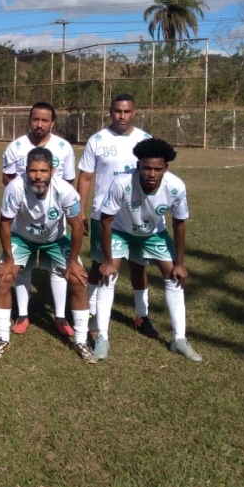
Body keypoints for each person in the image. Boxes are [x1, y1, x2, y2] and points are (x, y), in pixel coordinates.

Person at [96, 138, 202, 362]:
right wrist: (107, 260)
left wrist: (180, 263)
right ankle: (102, 338)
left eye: (157, 169)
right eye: (146, 168)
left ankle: (179, 339)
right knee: (108, 275)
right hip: (121, 231)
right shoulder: (121, 183)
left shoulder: (176, 186)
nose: (151, 174)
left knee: (174, 277)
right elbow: (105, 221)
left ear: (166, 168)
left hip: (154, 234)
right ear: (138, 167)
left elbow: (179, 223)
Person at [0, 147, 96, 363]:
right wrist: (9, 260)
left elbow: (76, 227)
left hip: (55, 239)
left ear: (52, 171)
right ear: (26, 171)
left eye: (43, 171)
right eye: (32, 171)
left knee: (78, 280)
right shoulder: (15, 187)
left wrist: (73, 262)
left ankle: (81, 341)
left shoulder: (65, 191)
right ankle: (2, 338)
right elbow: (4, 224)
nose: (37, 176)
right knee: (4, 279)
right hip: (22, 238)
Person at [77, 93, 156, 342]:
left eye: (127, 111)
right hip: (104, 214)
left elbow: (155, 175)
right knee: (99, 264)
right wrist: (80, 210)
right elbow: (86, 177)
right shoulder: (97, 140)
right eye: (117, 111)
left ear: (134, 112)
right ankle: (89, 312)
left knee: (138, 265)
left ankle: (142, 315)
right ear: (110, 111)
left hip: (136, 213)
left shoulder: (145, 140)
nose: (122, 116)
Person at [1, 101, 77, 337]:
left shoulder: (64, 148)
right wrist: (28, 203)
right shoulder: (16, 147)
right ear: (29, 120)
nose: (39, 124)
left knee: (60, 270)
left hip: (54, 223)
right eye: (35, 119)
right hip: (23, 222)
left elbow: (70, 184)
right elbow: (8, 180)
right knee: (21, 270)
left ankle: (61, 316)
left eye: (45, 120)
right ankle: (23, 315)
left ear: (52, 122)